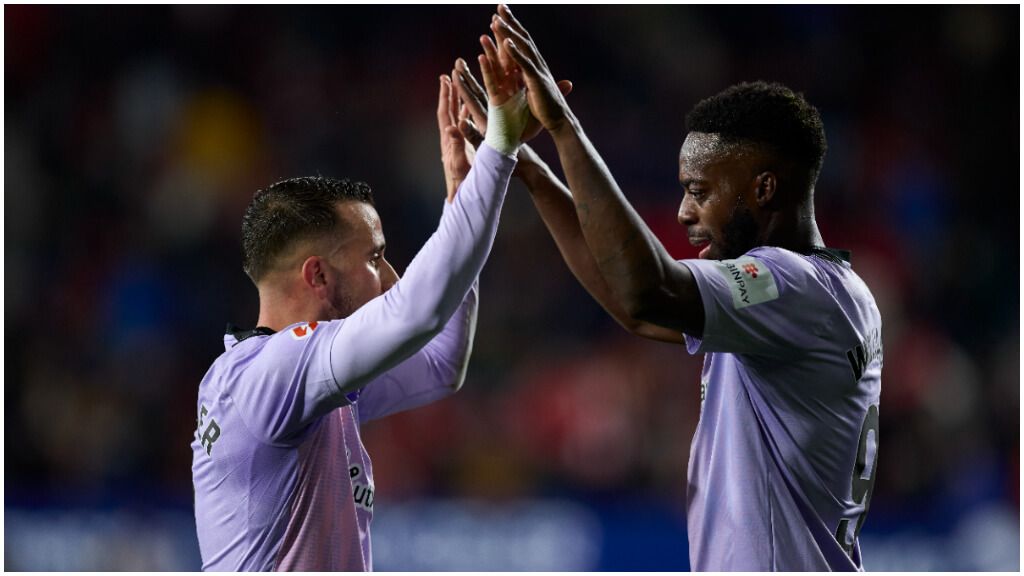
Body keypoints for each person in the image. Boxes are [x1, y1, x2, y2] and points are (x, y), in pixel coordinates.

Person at [459, 5, 882, 571]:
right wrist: (528, 167)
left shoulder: (788, 284)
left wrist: (564, 125)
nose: (683, 212)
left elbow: (647, 291)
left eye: (700, 190)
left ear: (762, 188)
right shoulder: (813, 294)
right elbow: (633, 306)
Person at [190, 48, 534, 571]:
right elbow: (415, 313)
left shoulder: (309, 389)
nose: (390, 275)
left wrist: (462, 194)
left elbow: (441, 364)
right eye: (374, 258)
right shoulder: (269, 376)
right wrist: (499, 150)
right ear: (318, 275)